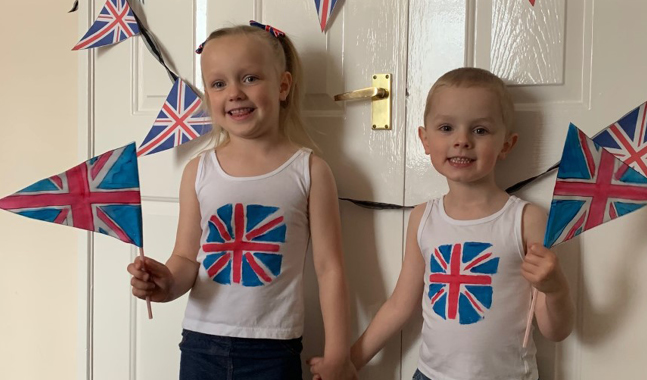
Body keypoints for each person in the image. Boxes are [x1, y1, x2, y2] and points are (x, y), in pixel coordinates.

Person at [312, 67, 575, 380]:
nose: (462, 141)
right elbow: (398, 306)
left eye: (480, 130)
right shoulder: (423, 219)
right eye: (447, 127)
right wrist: (348, 362)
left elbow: (555, 331)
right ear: (425, 139)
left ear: (506, 144)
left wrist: (555, 288)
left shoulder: (527, 220)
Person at [128, 22, 356, 380]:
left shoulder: (311, 170)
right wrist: (165, 283)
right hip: (201, 344)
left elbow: (330, 270)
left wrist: (338, 354)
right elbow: (187, 258)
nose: (234, 93)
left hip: (274, 347)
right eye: (219, 84)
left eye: (249, 78)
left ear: (282, 86)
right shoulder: (198, 171)